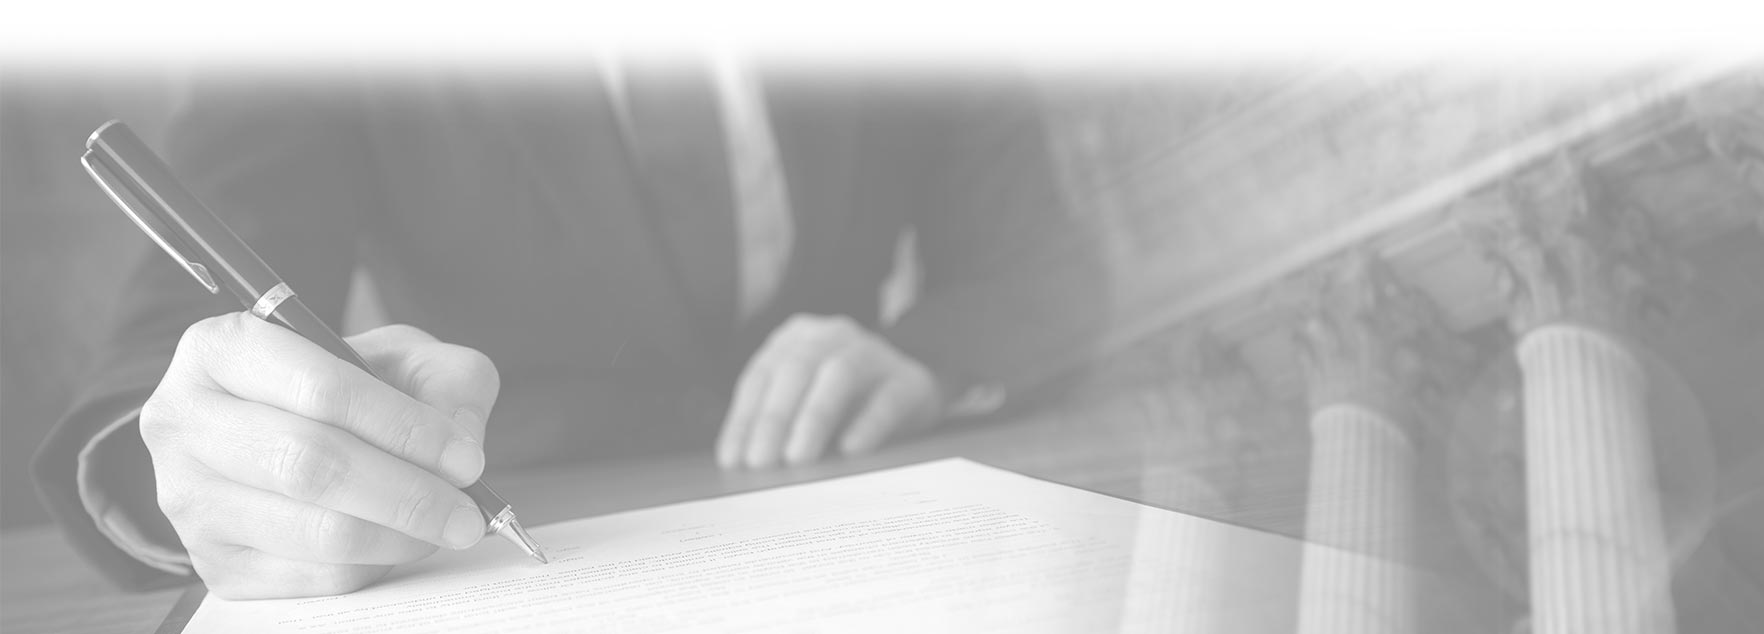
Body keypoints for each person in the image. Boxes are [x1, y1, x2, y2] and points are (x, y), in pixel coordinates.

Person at [33, 57, 1105, 597]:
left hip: (870, 514)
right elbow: (182, 330)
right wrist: (201, 456)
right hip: (510, 533)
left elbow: (1046, 269)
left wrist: (926, 355)